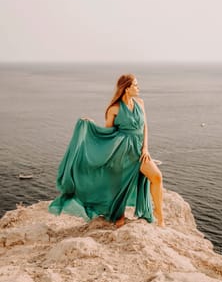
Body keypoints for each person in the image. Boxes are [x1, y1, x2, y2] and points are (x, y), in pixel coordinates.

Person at [48, 74, 165, 228]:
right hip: (122, 151)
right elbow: (107, 133)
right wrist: (89, 126)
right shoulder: (114, 109)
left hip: (139, 150)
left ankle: (159, 214)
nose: (138, 87)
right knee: (119, 185)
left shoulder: (140, 103)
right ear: (126, 88)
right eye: (135, 85)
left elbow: (145, 127)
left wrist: (145, 148)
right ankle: (119, 214)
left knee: (156, 176)